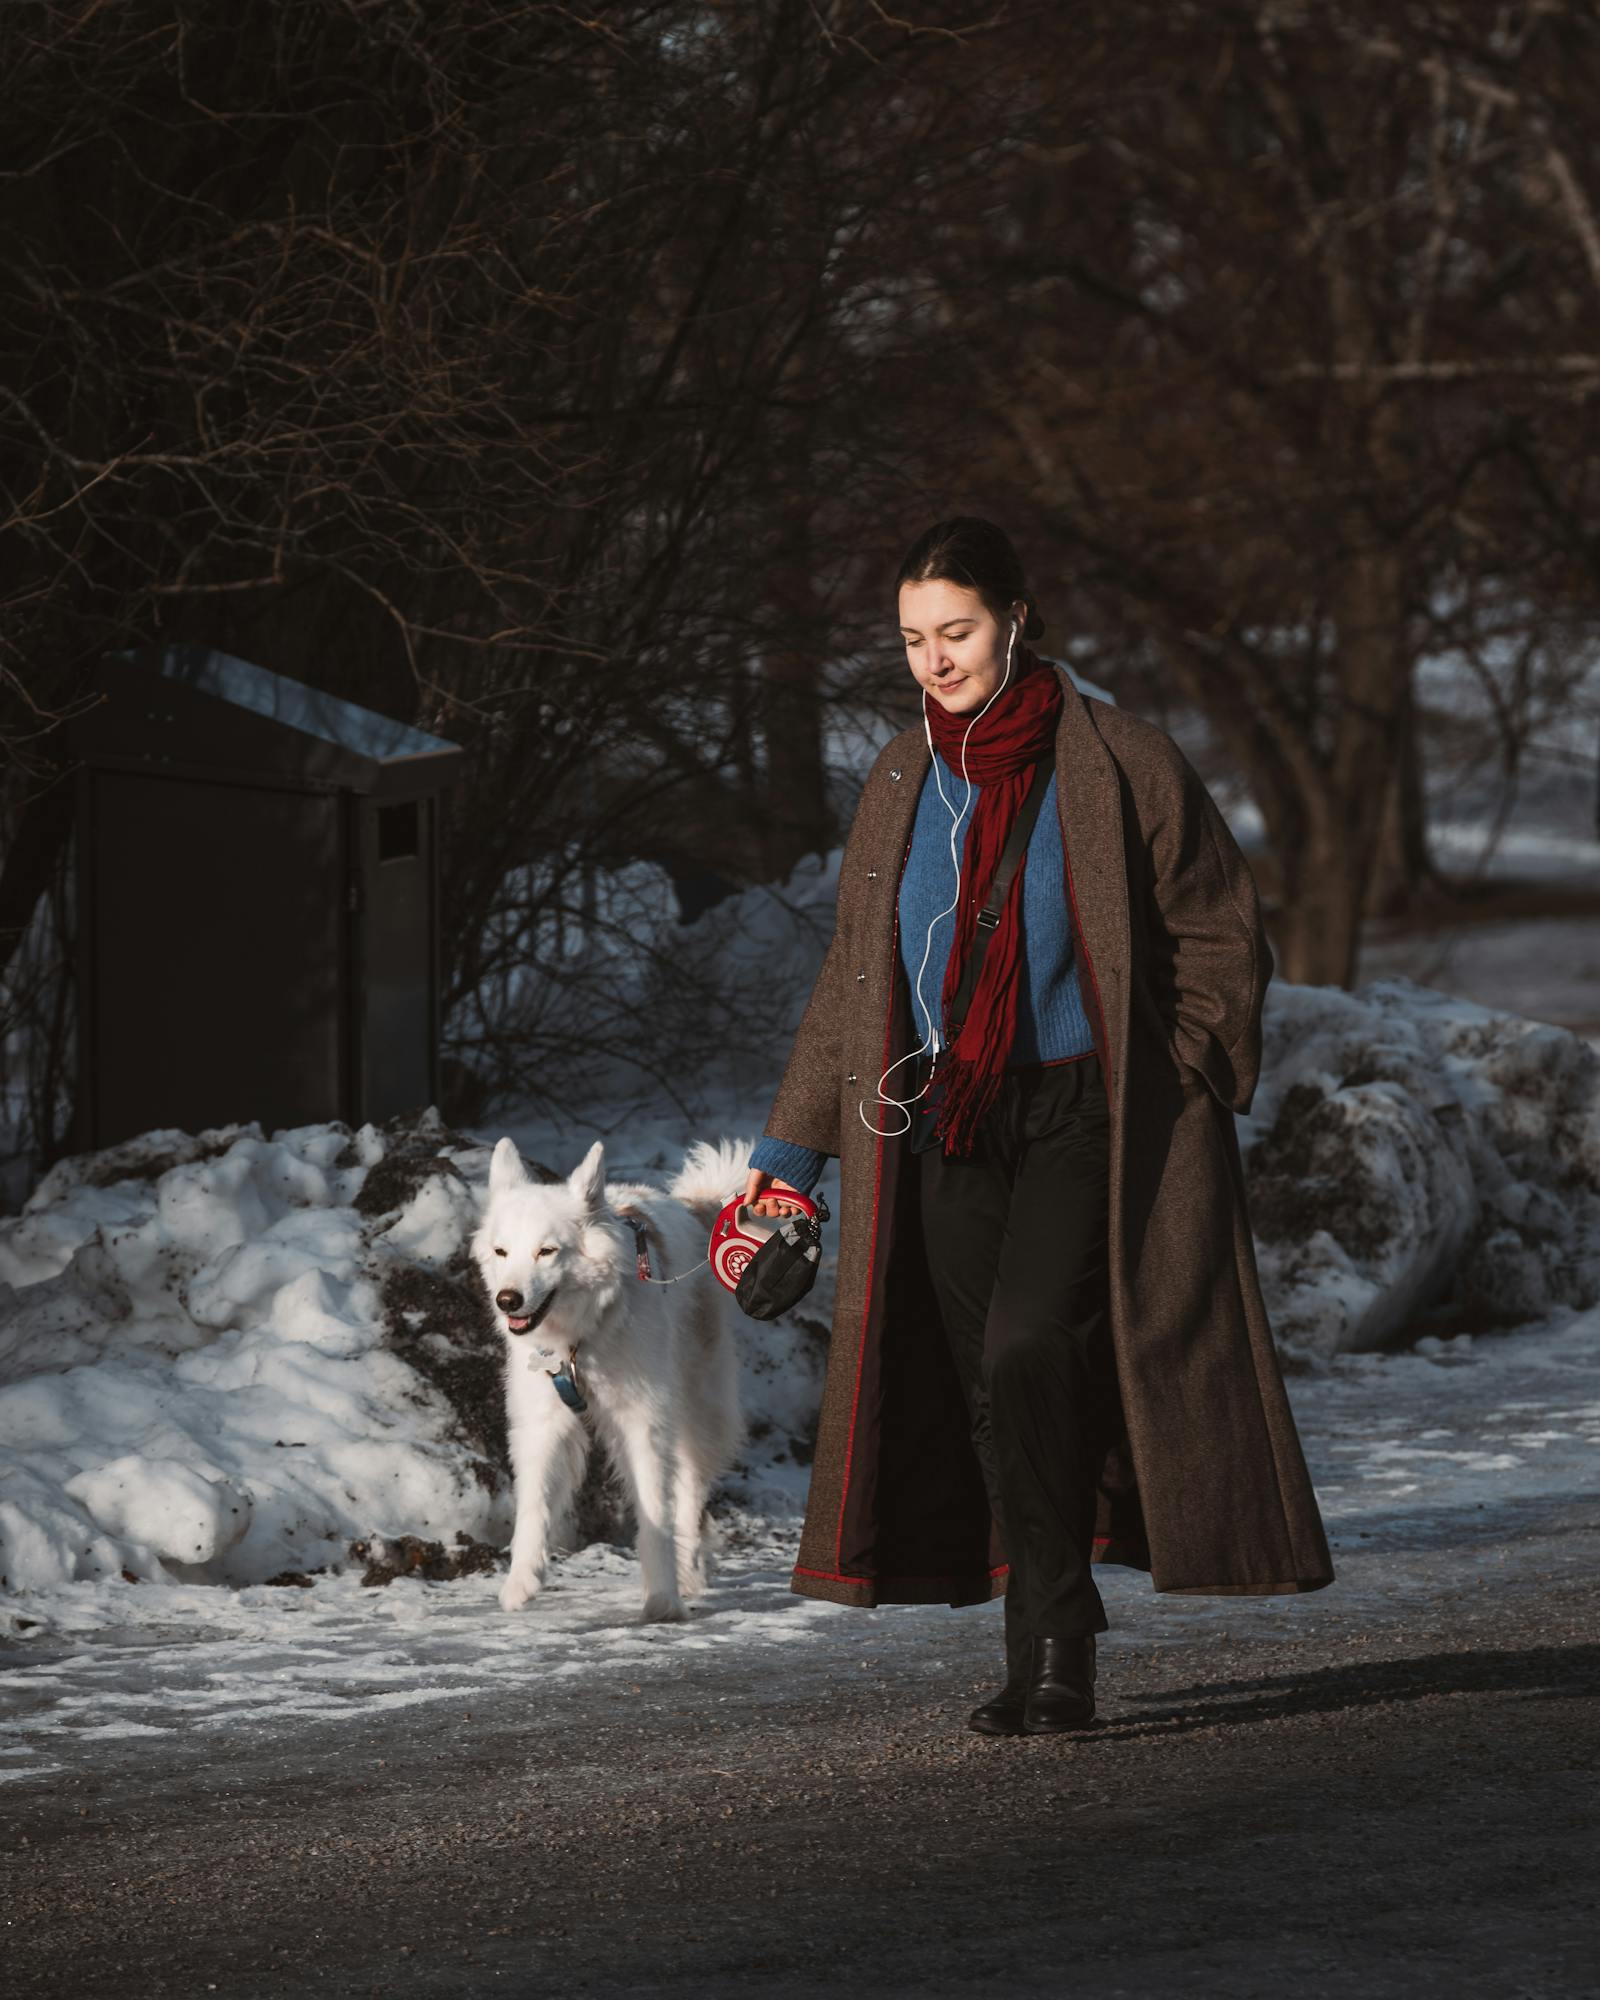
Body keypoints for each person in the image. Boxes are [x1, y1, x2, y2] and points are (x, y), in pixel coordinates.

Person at [743, 517, 1333, 1739]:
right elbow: (854, 980)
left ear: (1015, 618)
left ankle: (1061, 1634)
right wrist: (787, 1158)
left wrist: (1181, 1070)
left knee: (1024, 1349)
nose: (934, 660)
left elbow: (1220, 925)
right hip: (943, 1120)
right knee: (982, 1382)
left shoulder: (1120, 758)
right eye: (912, 639)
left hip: (1086, 1110)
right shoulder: (903, 778)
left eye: (954, 631)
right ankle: (1045, 1648)